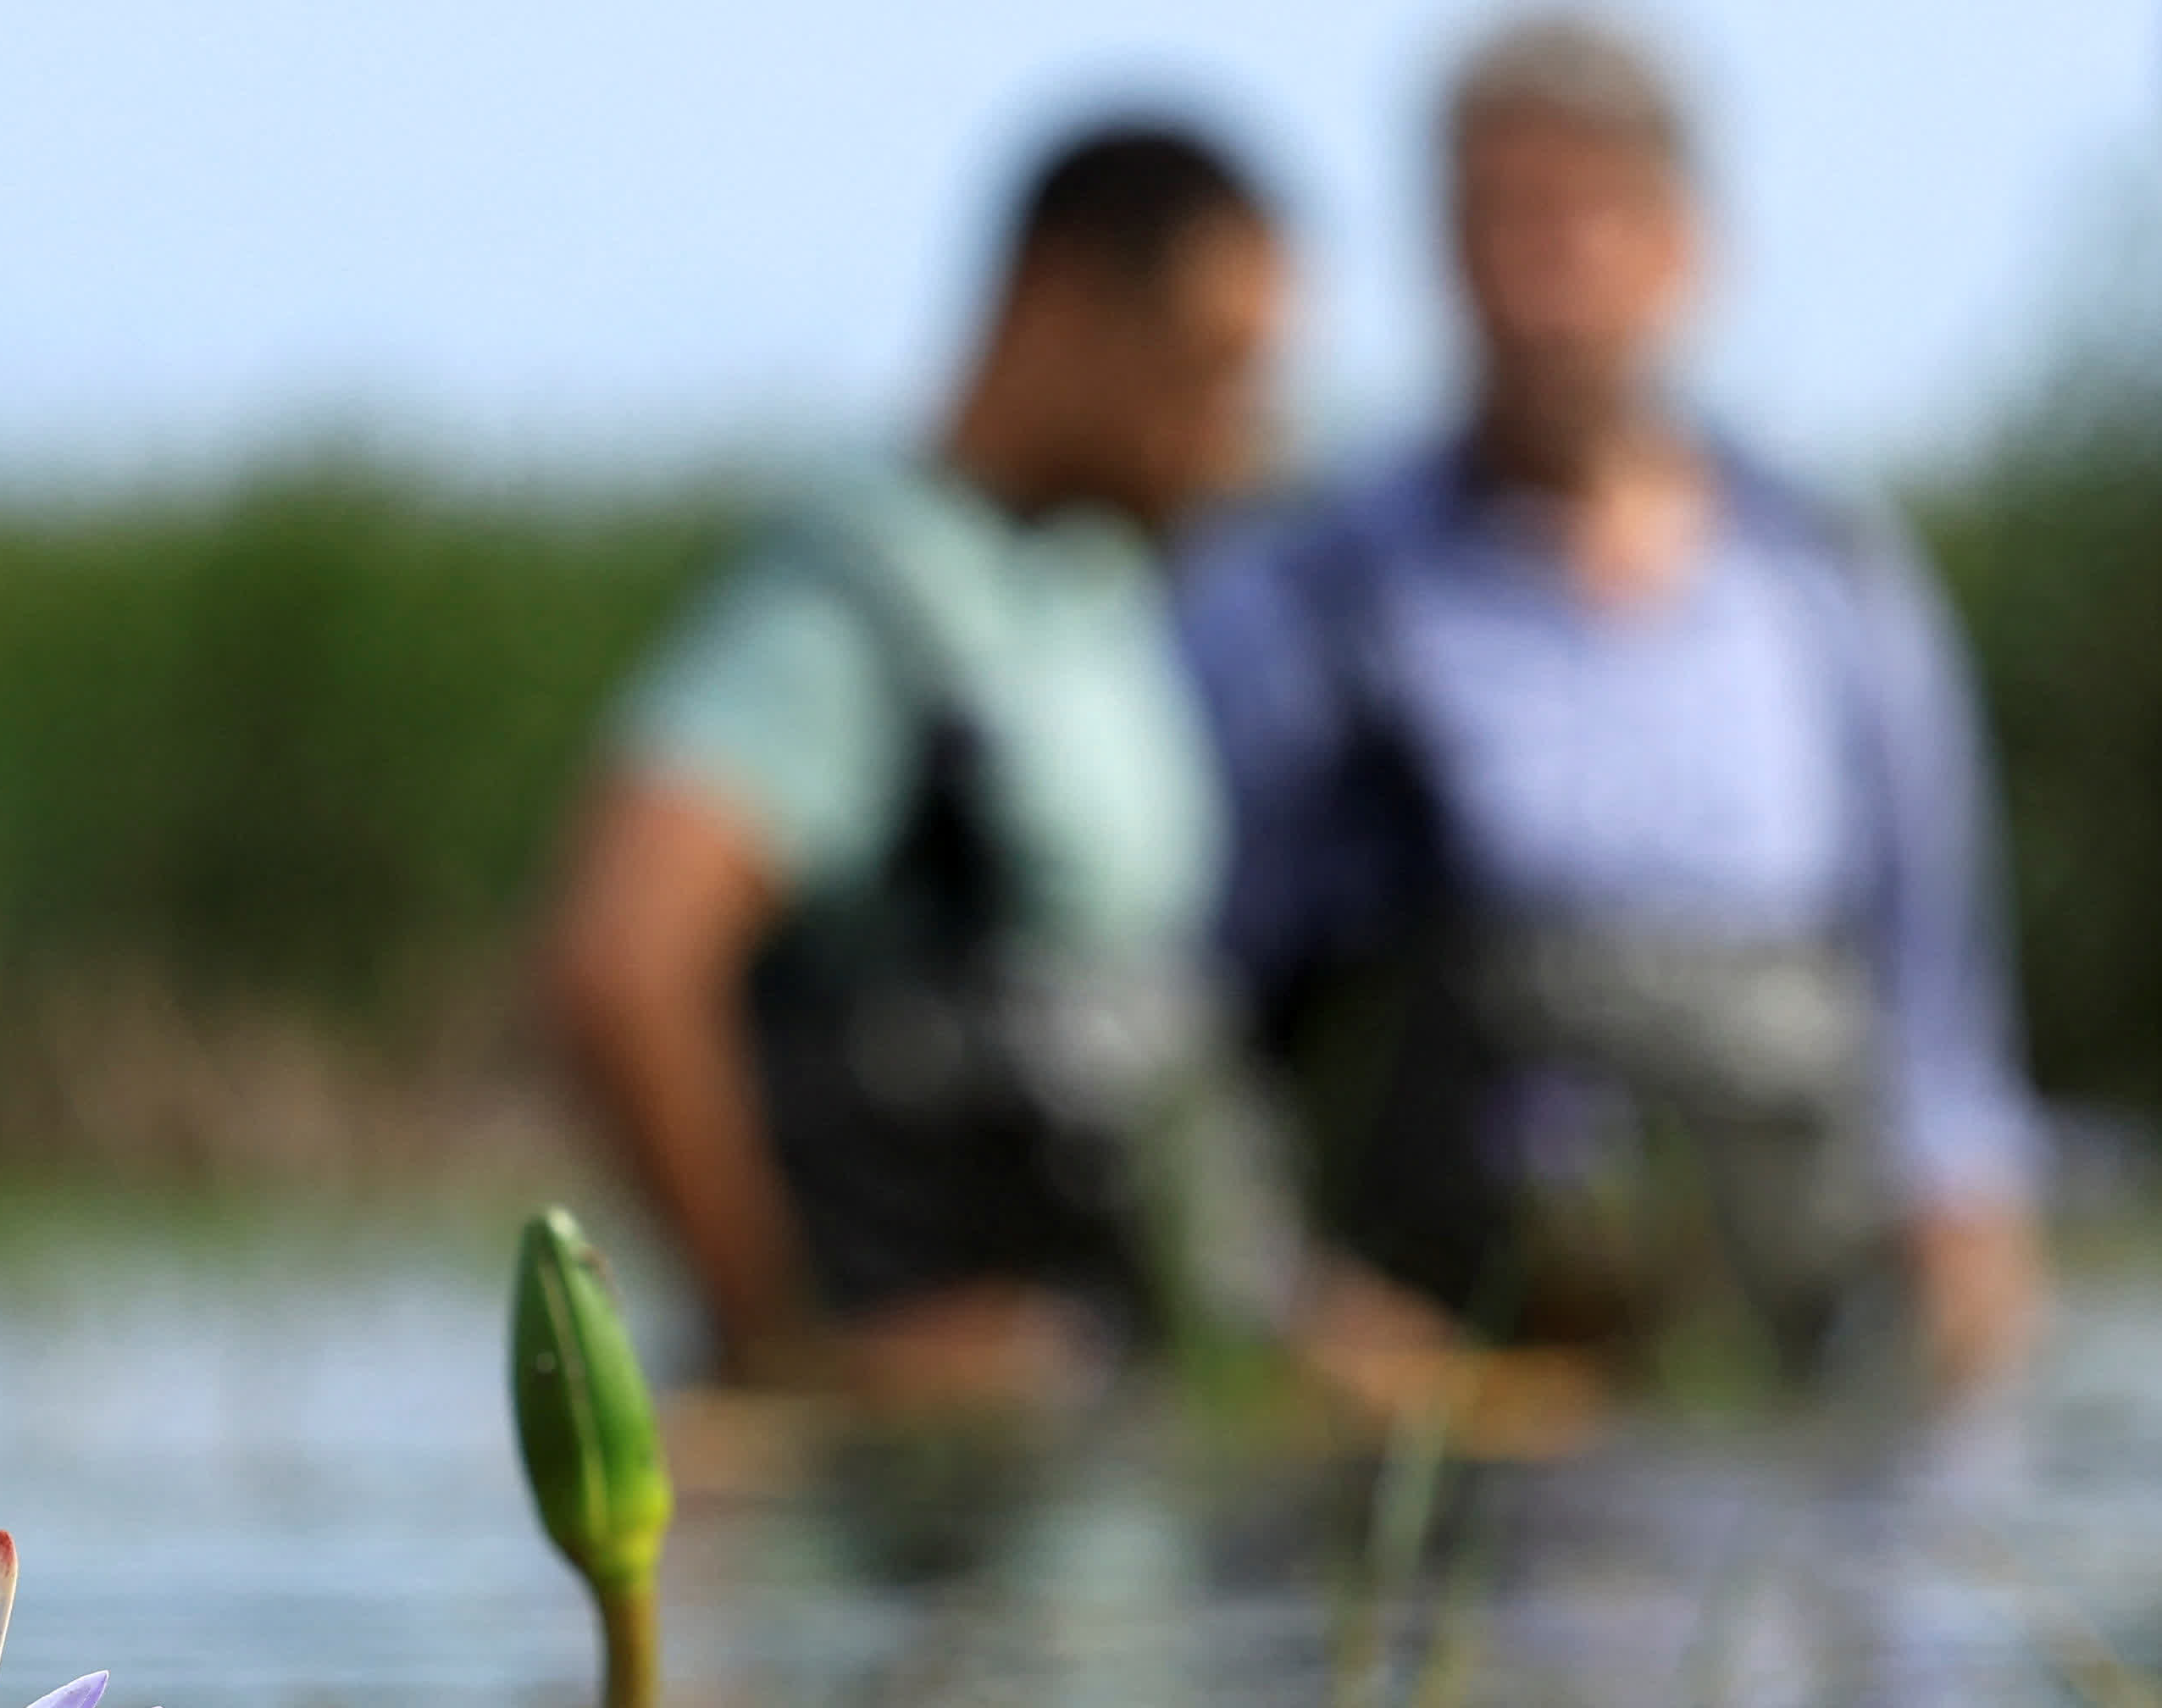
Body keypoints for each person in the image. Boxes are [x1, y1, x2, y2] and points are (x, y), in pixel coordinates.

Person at [1182, 15, 2041, 1439]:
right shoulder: (1312, 599)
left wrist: (1972, 1317)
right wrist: (1289, 1303)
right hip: (1453, 1416)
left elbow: (1943, 1038)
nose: (1544, 280)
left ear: (1686, 248)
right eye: (1500, 223)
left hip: (1792, 1398)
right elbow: (1196, 1027)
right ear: (1441, 253)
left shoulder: (1837, 583)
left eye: (1586, 219)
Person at [543, 124, 1291, 1410]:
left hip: (1119, 1417)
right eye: (1207, 375)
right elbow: (621, 964)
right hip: (930, 1507)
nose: (1243, 445)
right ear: (1059, 303)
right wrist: (781, 1351)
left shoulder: (1095, 592)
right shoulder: (857, 605)